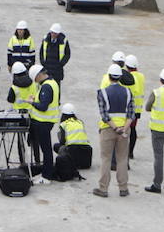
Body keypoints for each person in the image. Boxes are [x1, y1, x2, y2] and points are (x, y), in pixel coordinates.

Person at [94, 64, 136, 197]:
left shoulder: (103, 92)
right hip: (124, 130)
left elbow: (104, 114)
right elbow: (131, 114)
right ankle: (123, 188)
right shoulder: (128, 92)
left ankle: (103, 188)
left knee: (106, 159)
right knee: (122, 159)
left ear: (109, 76)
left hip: (108, 129)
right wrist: (124, 128)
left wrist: (115, 128)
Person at [27, 64, 61, 184]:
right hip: (46, 121)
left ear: (39, 75)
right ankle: (46, 173)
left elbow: (43, 106)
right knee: (46, 149)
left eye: (35, 79)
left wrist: (32, 102)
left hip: (43, 122)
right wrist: (35, 98)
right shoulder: (52, 82)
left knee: (46, 149)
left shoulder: (46, 87)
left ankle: (47, 176)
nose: (35, 82)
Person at [53, 103, 92, 181]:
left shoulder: (64, 124)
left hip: (72, 154)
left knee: (56, 146)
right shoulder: (80, 122)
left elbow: (62, 142)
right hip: (85, 156)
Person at [123, 55, 146, 160]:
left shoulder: (127, 77)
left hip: (128, 108)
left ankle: (124, 152)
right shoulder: (141, 76)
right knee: (133, 129)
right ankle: (131, 152)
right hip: (137, 109)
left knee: (125, 130)